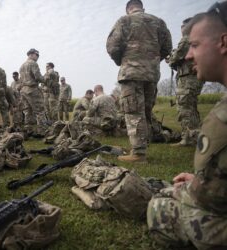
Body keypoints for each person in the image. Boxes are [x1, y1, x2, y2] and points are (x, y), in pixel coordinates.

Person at [147, 2, 227, 249]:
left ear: (223, 43)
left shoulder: (222, 117)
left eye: (194, 45)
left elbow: (206, 199)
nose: (189, 54)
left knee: (159, 207)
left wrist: (193, 187)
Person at [106, 0, 172, 163]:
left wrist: (121, 61)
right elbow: (167, 47)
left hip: (131, 72)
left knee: (134, 111)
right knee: (146, 111)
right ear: (142, 7)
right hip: (151, 74)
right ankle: (142, 146)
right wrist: (153, 61)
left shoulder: (124, 20)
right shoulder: (159, 22)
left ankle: (139, 153)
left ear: (129, 9)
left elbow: (112, 46)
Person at [168, 18, 205, 147]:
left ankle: (190, 139)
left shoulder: (187, 39)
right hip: (194, 77)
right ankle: (195, 136)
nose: (182, 29)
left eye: (183, 27)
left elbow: (175, 57)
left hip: (188, 78)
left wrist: (171, 59)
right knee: (191, 107)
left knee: (184, 108)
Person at [19, 48, 47, 135]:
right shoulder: (33, 63)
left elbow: (21, 79)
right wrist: (45, 79)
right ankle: (41, 131)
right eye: (36, 55)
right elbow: (38, 77)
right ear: (31, 54)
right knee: (40, 111)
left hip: (23, 90)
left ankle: (28, 130)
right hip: (32, 89)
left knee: (27, 111)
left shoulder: (22, 65)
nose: (38, 57)